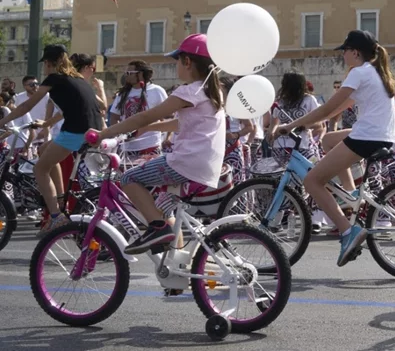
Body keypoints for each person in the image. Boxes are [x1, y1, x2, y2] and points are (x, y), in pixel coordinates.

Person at [271, 30, 395, 266]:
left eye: (345, 51)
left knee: (311, 181)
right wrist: (316, 121)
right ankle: (349, 193)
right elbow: (337, 109)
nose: (343, 56)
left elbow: (327, 108)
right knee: (328, 140)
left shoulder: (358, 73)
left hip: (367, 137)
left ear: (355, 52)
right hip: (383, 136)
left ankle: (347, 231)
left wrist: (292, 125)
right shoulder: (376, 72)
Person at [90, 34, 226, 254]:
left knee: (129, 178)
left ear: (187, 62)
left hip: (185, 164)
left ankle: (157, 229)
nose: (176, 67)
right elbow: (182, 124)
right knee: (165, 210)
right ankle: (176, 266)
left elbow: (145, 116)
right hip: (205, 166)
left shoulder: (188, 91)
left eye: (177, 61)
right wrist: (152, 128)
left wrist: (103, 133)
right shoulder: (211, 92)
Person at [0, 45, 101, 237]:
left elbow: (27, 105)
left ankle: (56, 216)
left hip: (75, 130)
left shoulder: (55, 78)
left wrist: (3, 121)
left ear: (48, 63)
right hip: (93, 130)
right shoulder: (77, 78)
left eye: (45, 64)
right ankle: (61, 200)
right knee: (44, 149)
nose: (44, 68)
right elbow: (66, 110)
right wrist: (46, 123)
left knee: (39, 168)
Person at [108, 60, 170, 162]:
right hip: (127, 147)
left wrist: (167, 136)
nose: (126, 76)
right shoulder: (123, 94)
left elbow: (167, 116)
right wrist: (117, 136)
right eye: (126, 73)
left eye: (129, 73)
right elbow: (114, 116)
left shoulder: (157, 91)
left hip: (150, 145)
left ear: (140, 74)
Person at [265, 71, 323, 164]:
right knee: (283, 176)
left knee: (310, 173)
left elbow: (318, 124)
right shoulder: (280, 101)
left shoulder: (308, 99)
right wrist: (271, 133)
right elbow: (274, 123)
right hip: (280, 147)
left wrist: (301, 126)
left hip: (303, 146)